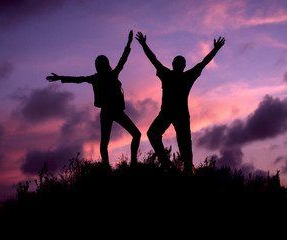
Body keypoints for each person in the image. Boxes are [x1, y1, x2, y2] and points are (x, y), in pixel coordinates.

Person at [46, 30, 141, 168]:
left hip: (108, 111)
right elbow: (123, 59)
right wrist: (129, 42)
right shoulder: (111, 75)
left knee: (106, 142)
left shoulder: (96, 77)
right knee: (132, 135)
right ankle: (128, 164)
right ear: (106, 64)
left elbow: (78, 80)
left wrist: (60, 77)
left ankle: (109, 166)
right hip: (113, 111)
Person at [135, 31, 225, 174]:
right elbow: (203, 63)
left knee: (179, 143)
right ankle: (169, 163)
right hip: (173, 114)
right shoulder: (183, 76)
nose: (178, 65)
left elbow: (154, 60)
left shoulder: (172, 75)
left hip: (175, 114)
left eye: (178, 63)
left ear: (177, 65)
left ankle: (181, 167)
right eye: (178, 63)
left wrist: (144, 45)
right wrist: (216, 49)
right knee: (160, 136)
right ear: (181, 65)